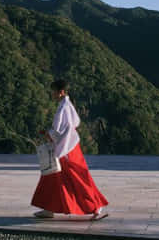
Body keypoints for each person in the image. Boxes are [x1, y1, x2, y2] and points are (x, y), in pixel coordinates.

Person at [31, 80, 108, 220]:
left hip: (67, 149)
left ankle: (96, 207)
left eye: (53, 91)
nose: (52, 94)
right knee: (51, 175)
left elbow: (58, 130)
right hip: (67, 145)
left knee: (77, 177)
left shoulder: (63, 108)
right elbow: (73, 123)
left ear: (61, 92)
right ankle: (48, 208)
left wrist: (48, 134)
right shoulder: (66, 104)